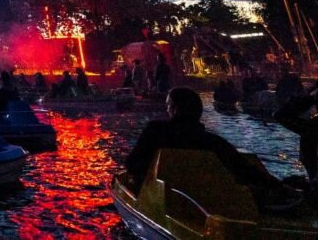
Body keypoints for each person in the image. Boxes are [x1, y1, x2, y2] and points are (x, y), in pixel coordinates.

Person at [125, 87, 296, 209]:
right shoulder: (213, 142)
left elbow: (132, 164)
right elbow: (243, 169)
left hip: (160, 199)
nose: (167, 109)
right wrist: (277, 186)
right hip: (208, 201)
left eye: (168, 105)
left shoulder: (155, 131)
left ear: (174, 109)